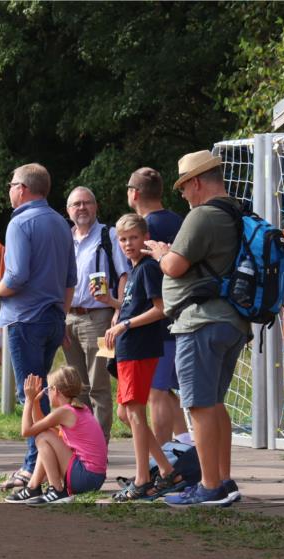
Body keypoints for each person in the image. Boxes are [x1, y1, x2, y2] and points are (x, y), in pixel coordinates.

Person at [144, 150, 250, 506]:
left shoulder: (202, 215)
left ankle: (208, 487)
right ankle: (222, 479)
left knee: (199, 406)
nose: (183, 195)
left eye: (184, 187)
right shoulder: (235, 211)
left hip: (200, 322)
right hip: (230, 320)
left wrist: (161, 253)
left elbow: (174, 266)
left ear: (196, 182)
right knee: (215, 404)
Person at [0, 164, 76, 489]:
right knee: (41, 394)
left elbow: (17, 276)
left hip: (25, 318)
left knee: (32, 397)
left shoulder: (20, 221)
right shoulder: (62, 224)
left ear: (22, 188)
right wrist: (61, 315)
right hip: (52, 317)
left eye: (10, 185)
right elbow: (70, 280)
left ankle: (34, 467)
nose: (9, 190)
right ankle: (47, 462)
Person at [97, 214, 181, 501]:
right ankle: (166, 469)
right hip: (127, 348)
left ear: (145, 237)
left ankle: (144, 477)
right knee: (126, 413)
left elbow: (161, 308)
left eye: (133, 237)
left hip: (140, 348)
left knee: (134, 412)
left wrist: (125, 324)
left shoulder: (147, 268)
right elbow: (135, 306)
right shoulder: (133, 271)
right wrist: (113, 306)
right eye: (123, 239)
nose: (128, 244)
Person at [127, 167, 190, 446]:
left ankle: (162, 459)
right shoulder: (180, 220)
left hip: (158, 320)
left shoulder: (146, 227)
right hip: (180, 312)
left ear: (134, 193)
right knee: (166, 390)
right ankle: (185, 445)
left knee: (156, 392)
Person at [62, 186, 129, 442]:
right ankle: (82, 442)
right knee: (76, 386)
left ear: (95, 207)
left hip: (100, 318)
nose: (82, 208)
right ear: (68, 211)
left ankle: (99, 443)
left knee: (99, 384)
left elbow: (124, 274)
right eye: (76, 204)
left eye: (86, 203)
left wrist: (117, 308)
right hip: (70, 318)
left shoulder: (109, 235)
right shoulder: (66, 238)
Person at [6, 367, 107, 504]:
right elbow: (42, 427)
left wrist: (28, 400)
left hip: (85, 478)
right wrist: (35, 403)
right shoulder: (78, 408)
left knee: (42, 437)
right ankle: (33, 487)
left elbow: (26, 431)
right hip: (94, 478)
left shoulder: (65, 412)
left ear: (56, 391)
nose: (48, 393)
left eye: (49, 390)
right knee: (45, 435)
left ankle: (57, 490)